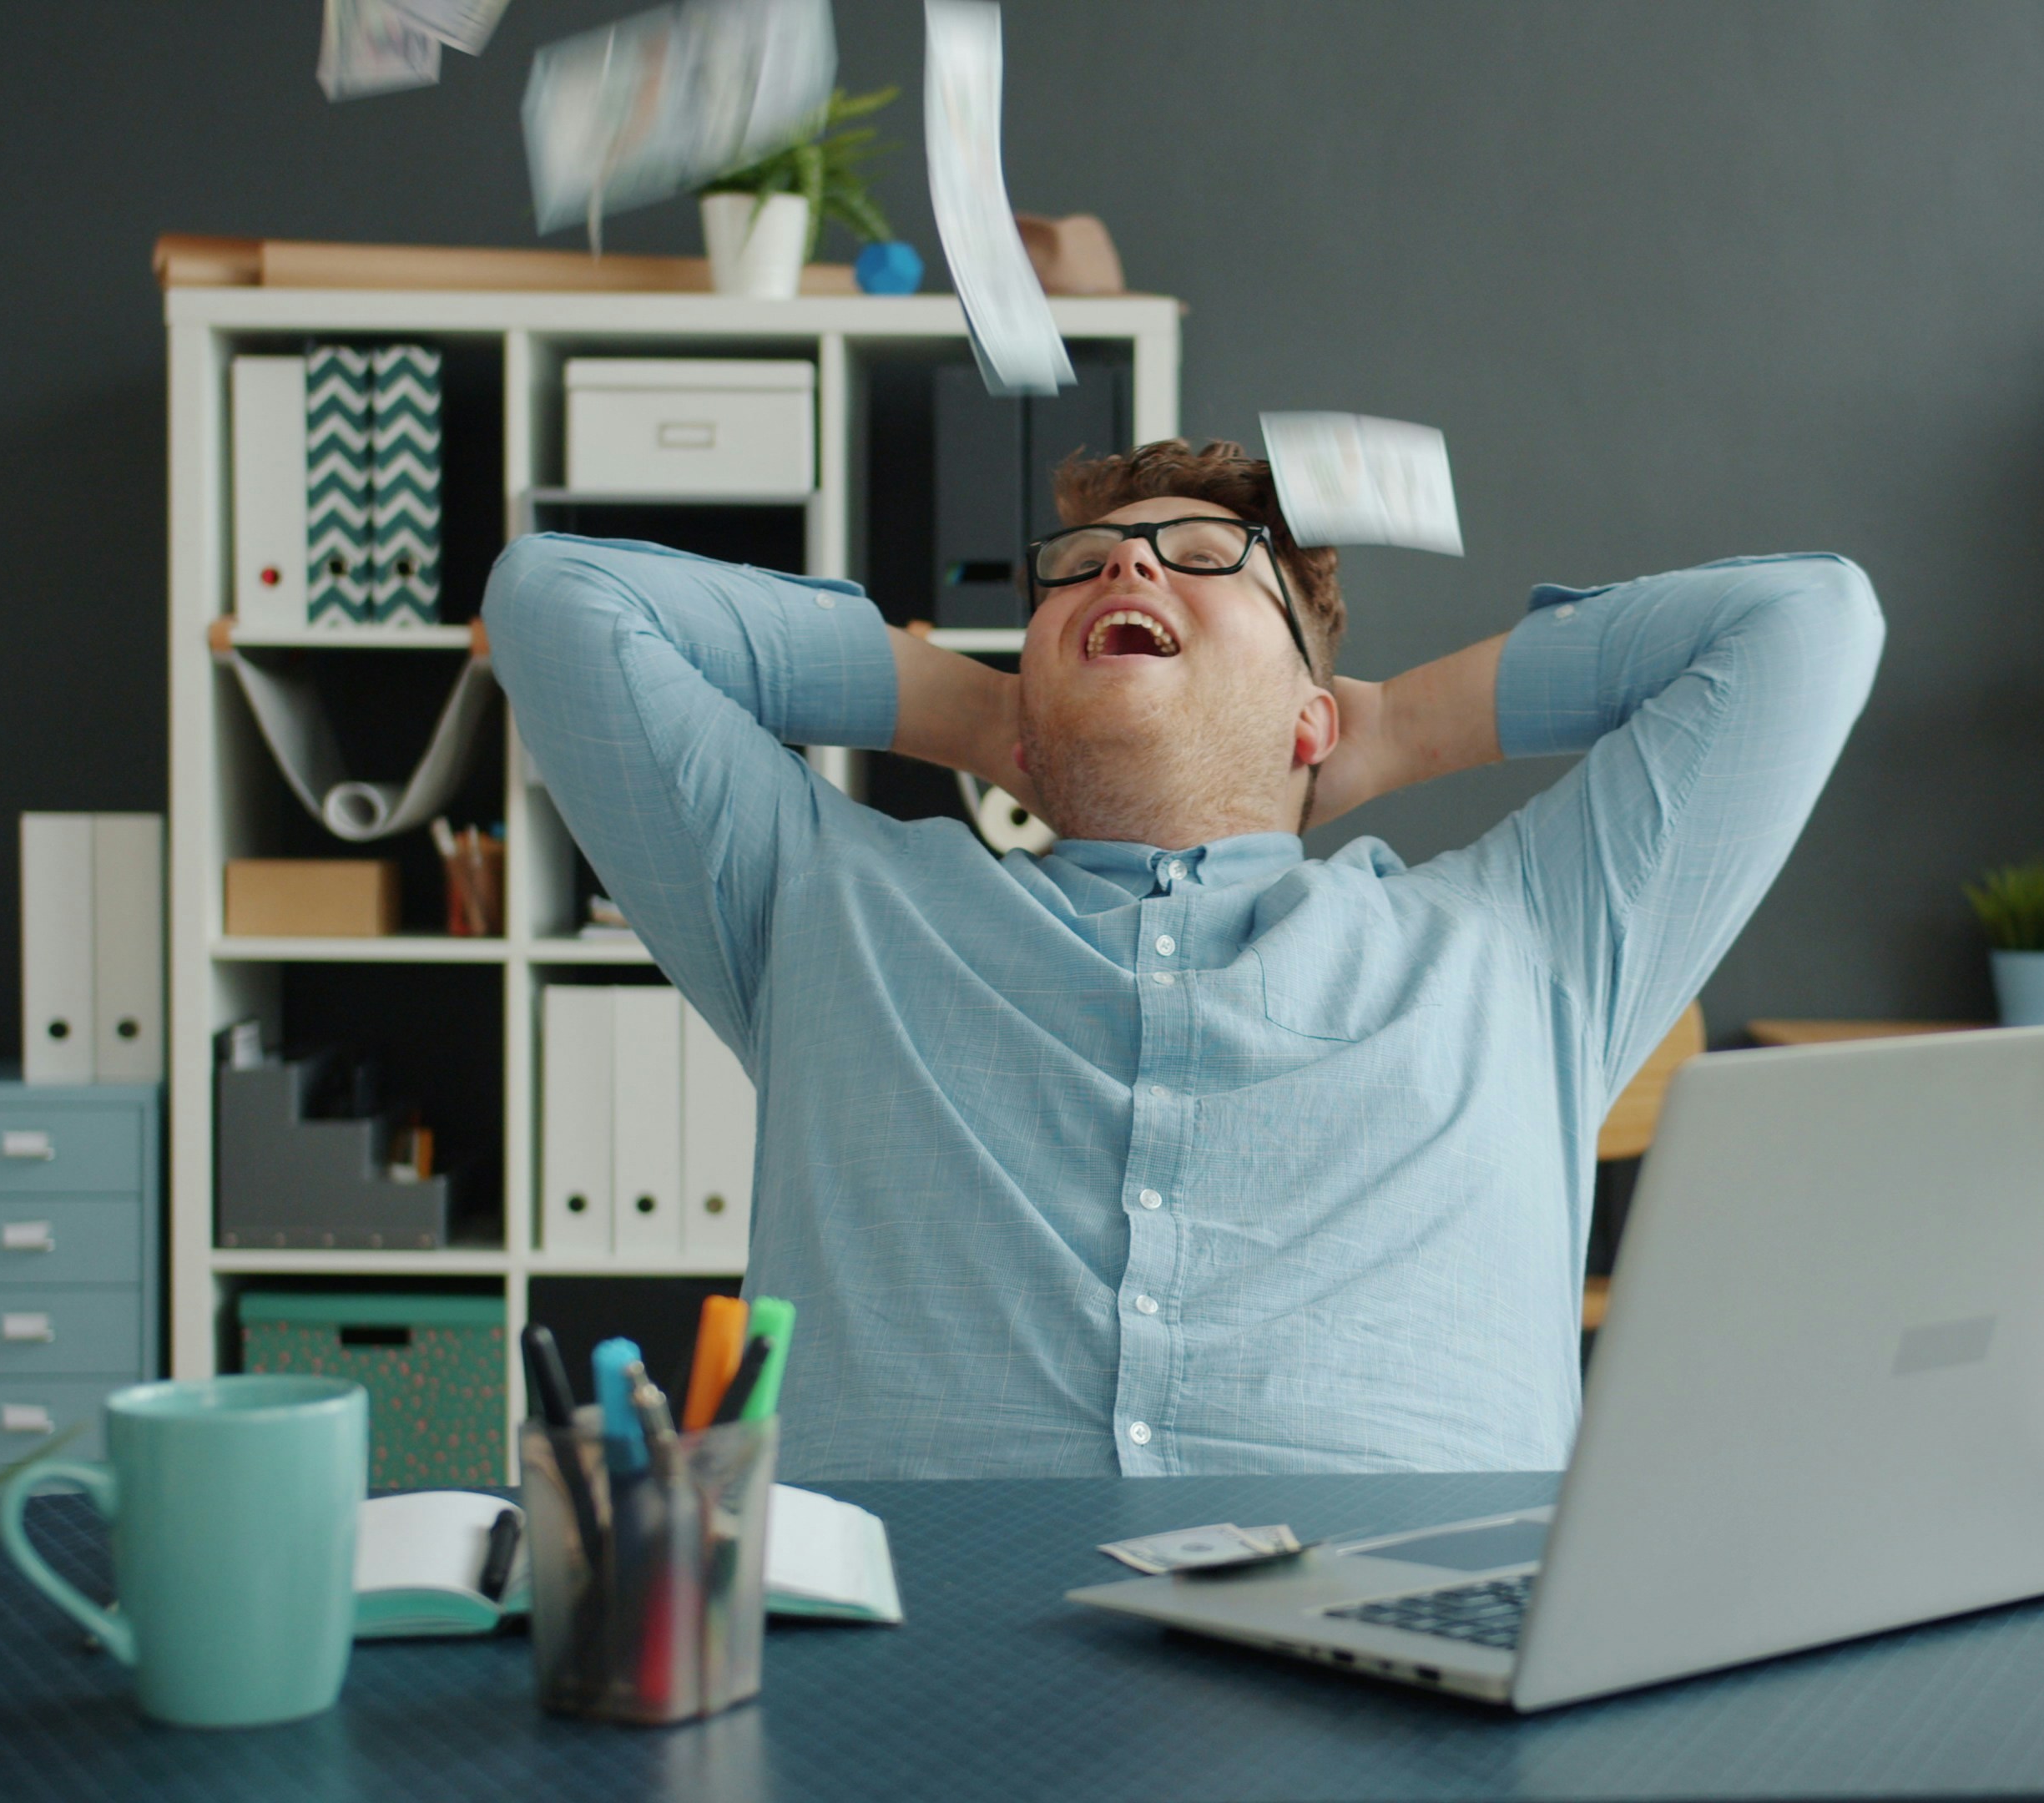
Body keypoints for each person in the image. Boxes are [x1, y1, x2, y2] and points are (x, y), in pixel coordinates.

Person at [484, 439, 1881, 1477]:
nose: (1130, 566)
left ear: (1310, 713)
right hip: (917, 1704)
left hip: (1406, 1714)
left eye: (1208, 559)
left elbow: (1805, 628)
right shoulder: (817, 899)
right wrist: (995, 718)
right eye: (1081, 570)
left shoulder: (1524, 947)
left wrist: (1392, 725)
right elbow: (560, 602)